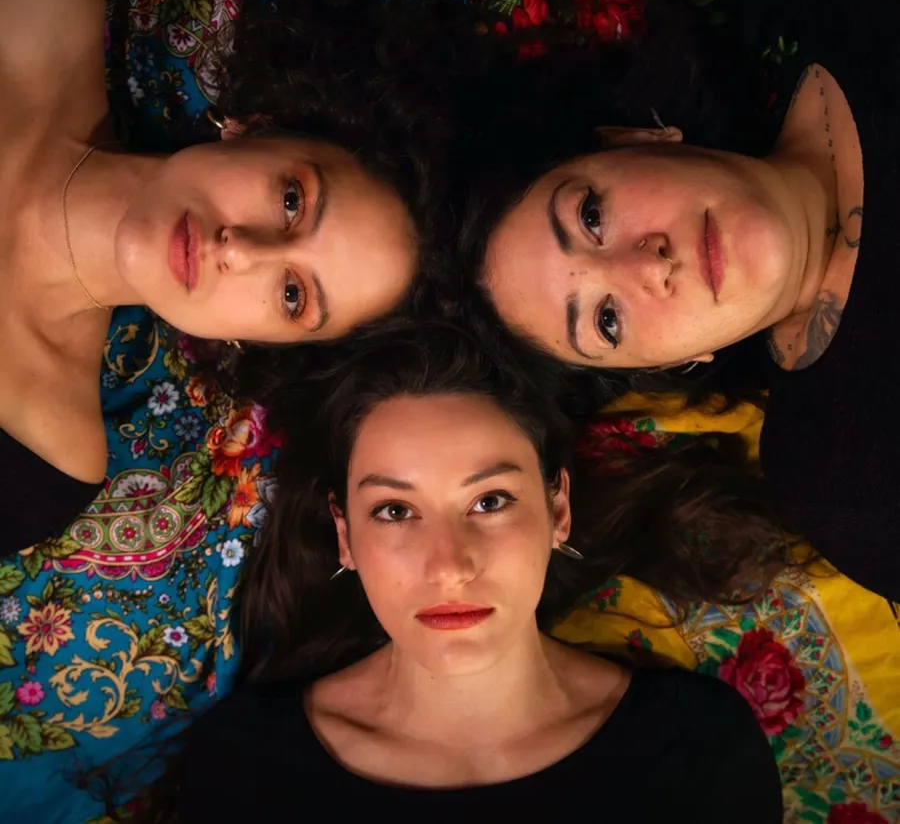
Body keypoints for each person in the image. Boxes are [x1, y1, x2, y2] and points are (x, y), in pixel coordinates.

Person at [134, 322, 784, 823]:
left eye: (490, 501)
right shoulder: (247, 769)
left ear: (558, 509)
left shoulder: (699, 752)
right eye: (395, 511)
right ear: (345, 535)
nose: (449, 567)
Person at [455, 0, 900, 600]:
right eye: (607, 321)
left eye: (591, 216)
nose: (647, 266)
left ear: (637, 138)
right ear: (676, 362)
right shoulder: (843, 479)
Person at [0, 0, 462, 554]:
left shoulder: (42, 456)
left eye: (293, 295)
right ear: (258, 126)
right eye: (292, 200)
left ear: (259, 342)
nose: (240, 250)